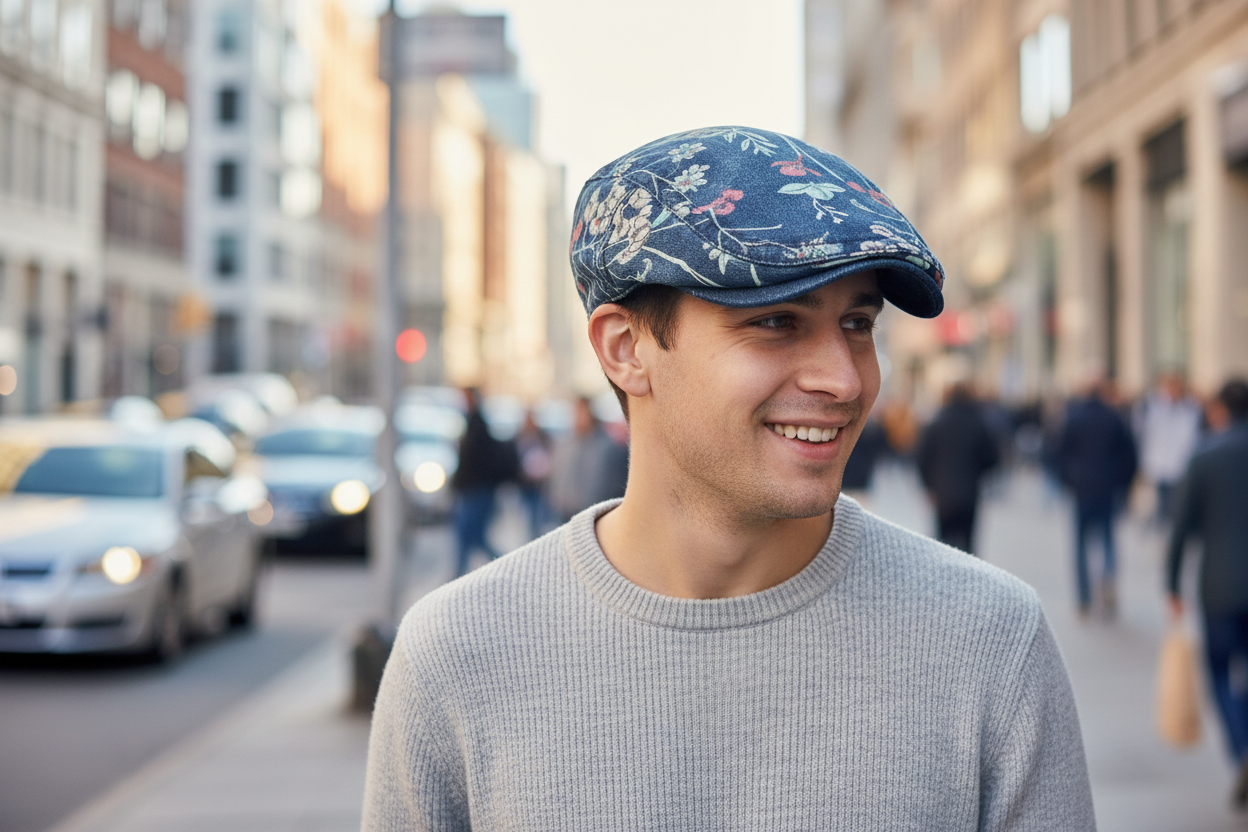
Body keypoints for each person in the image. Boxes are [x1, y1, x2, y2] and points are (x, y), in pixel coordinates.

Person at [363, 126, 1094, 829]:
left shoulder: (991, 642)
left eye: (858, 325)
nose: (844, 379)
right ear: (626, 349)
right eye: (776, 322)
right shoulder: (456, 656)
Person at [1165, 379, 1248, 807]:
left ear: (1219, 411)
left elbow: (1180, 528)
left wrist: (1171, 583)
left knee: (1219, 673)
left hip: (1218, 585)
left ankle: (1241, 750)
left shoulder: (1205, 455)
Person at [1055, 380, 1137, 618]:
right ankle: (1107, 577)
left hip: (1082, 489)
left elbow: (1058, 453)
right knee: (1108, 539)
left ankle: (1083, 599)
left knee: (1080, 546)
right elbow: (1130, 456)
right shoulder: (1114, 418)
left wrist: (1069, 481)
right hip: (1107, 489)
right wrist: (1121, 483)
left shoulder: (1073, 418)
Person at [916, 382, 1001, 555]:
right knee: (968, 546)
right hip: (969, 492)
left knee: (942, 545)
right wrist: (976, 472)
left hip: (943, 493)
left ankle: (944, 579)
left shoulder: (936, 423)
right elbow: (992, 458)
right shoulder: (978, 424)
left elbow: (922, 458)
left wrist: (928, 486)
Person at [448, 388, 517, 577]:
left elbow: (473, 461)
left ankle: (508, 570)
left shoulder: (477, 426)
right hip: (472, 491)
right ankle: (459, 576)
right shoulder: (472, 423)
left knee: (472, 538)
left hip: (476, 492)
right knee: (471, 539)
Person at [547, 396, 629, 523]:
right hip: (565, 509)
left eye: (581, 412)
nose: (577, 417)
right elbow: (558, 474)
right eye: (575, 412)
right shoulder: (566, 443)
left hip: (592, 512)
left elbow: (615, 482)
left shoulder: (607, 446)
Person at [1134, 372, 1202, 522]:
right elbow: (1140, 435)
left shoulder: (1192, 408)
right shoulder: (1149, 406)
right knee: (1162, 508)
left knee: (1180, 506)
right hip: (1159, 465)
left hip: (1183, 465)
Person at [513, 409, 554, 539]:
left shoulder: (543, 436)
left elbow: (551, 455)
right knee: (528, 515)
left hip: (540, 484)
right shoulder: (520, 436)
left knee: (539, 515)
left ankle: (537, 536)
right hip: (525, 483)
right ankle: (532, 537)